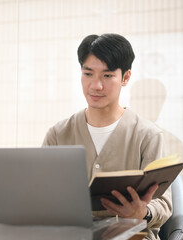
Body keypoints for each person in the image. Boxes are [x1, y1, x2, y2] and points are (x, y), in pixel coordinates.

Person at [42, 33, 172, 239]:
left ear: (125, 77)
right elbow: (41, 193)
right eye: (88, 74)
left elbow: (163, 203)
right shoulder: (58, 134)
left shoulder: (148, 135)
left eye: (107, 75)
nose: (96, 85)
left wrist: (143, 212)